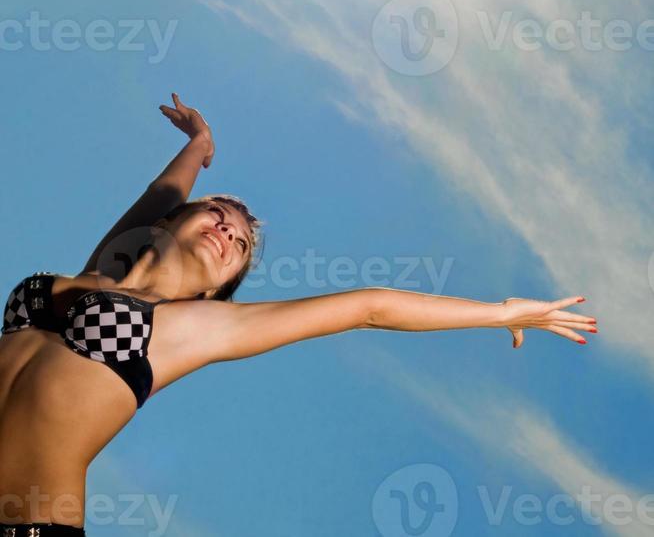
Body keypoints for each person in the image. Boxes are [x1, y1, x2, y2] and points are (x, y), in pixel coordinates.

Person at [0, 94, 598, 535]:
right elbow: (159, 197)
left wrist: (499, 312)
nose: (228, 232)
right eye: (219, 214)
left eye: (239, 245)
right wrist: (199, 147)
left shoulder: (192, 330)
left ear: (220, 290)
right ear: (172, 221)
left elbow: (369, 307)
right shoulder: (99, 270)